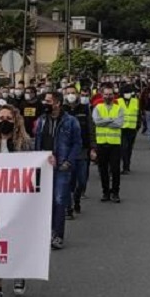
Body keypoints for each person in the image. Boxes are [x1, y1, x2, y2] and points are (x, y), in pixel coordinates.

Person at [0, 105, 53, 297]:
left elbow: (36, 167)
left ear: (16, 120)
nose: (4, 121)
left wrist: (47, 161)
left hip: (18, 203)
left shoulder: (25, 143)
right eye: (1, 117)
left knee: (16, 239)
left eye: (9, 117)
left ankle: (20, 271)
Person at [33, 91, 81, 250]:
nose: (44, 104)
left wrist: (68, 161)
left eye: (48, 101)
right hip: (43, 167)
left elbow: (77, 144)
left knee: (60, 200)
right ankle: (45, 233)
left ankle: (58, 235)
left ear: (57, 103)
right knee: (44, 202)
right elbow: (36, 142)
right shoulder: (41, 121)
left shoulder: (71, 122)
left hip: (61, 167)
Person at [63, 86, 96, 216]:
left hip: (82, 150)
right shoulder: (62, 110)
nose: (71, 95)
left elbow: (90, 128)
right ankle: (68, 207)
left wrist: (93, 147)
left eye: (73, 93)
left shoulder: (84, 109)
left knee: (81, 180)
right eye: (68, 93)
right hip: (66, 151)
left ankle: (77, 198)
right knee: (68, 181)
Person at [92, 83, 125, 203]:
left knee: (115, 170)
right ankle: (105, 192)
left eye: (110, 94)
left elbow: (119, 124)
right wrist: (111, 120)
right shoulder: (97, 108)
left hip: (115, 143)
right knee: (103, 170)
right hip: (101, 143)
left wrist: (104, 121)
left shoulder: (119, 108)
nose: (108, 96)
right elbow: (97, 122)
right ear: (102, 95)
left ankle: (115, 192)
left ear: (114, 95)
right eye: (106, 94)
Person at [119, 84, 142, 174]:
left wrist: (138, 126)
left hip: (132, 129)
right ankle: (124, 166)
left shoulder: (135, 101)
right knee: (123, 148)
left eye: (128, 92)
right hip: (122, 128)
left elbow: (139, 114)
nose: (127, 94)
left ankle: (127, 166)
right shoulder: (118, 101)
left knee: (129, 148)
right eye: (125, 92)